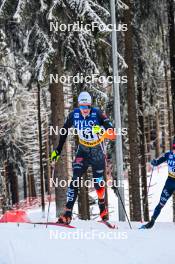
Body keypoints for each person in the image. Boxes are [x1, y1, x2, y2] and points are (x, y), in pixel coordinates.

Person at [51, 91, 116, 224]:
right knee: (75, 180)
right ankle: (67, 214)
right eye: (82, 107)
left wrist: (102, 131)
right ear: (79, 106)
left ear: (90, 105)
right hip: (83, 152)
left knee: (98, 185)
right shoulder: (74, 115)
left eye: (86, 107)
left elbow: (113, 134)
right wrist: (57, 150)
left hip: (97, 152)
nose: (84, 110)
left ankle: (103, 210)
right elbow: (64, 131)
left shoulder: (97, 113)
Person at [143, 137, 175, 229]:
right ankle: (152, 221)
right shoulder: (168, 155)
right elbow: (157, 162)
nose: (174, 151)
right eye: (174, 148)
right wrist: (154, 162)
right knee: (161, 203)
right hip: (170, 182)